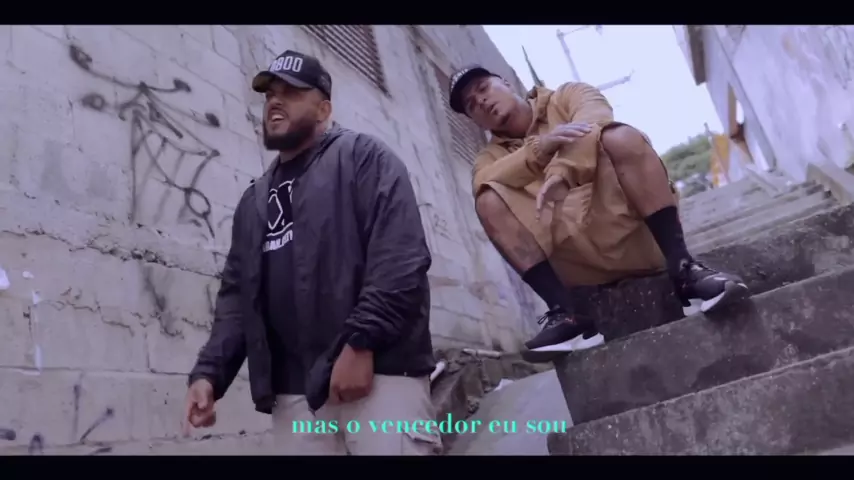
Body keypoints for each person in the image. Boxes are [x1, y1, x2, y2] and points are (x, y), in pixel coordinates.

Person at [183, 50, 441, 455]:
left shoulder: (364, 158)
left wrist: (361, 343)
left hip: (379, 375)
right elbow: (236, 298)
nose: (275, 101)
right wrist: (209, 374)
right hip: (294, 394)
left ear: (324, 109)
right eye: (270, 94)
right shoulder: (253, 201)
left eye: (291, 92)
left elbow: (400, 258)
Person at [447, 65, 749, 362]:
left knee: (619, 136)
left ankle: (685, 270)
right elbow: (483, 180)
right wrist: (540, 148)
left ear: (505, 82)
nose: (481, 101)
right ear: (474, 120)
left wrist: (563, 171)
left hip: (636, 236)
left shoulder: (568, 96)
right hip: (576, 266)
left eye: (483, 88)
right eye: (471, 105)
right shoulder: (488, 159)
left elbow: (594, 117)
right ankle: (566, 315)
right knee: (487, 200)